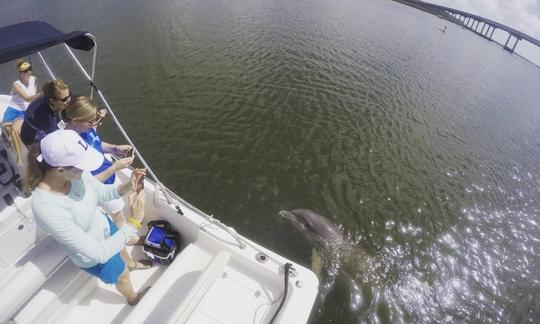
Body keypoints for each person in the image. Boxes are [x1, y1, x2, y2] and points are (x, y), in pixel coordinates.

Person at [24, 129, 150, 305]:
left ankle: (131, 264)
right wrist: (134, 221)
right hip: (95, 255)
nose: (85, 170)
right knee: (122, 276)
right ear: (60, 169)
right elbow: (99, 253)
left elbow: (101, 193)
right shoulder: (46, 208)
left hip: (105, 227)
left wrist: (129, 185)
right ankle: (133, 298)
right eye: (82, 165)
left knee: (122, 251)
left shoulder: (75, 173)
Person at [61, 95, 139, 243]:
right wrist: (116, 167)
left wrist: (115, 149)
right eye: (91, 121)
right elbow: (88, 183)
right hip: (101, 183)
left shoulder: (85, 128)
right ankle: (130, 239)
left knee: (118, 209)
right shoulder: (72, 146)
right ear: (76, 121)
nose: (95, 123)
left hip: (109, 172)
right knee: (118, 215)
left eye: (95, 118)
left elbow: (97, 143)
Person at [1, 61, 41, 164]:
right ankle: (13, 140)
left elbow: (34, 92)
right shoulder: (16, 84)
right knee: (6, 129)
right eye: (25, 71)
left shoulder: (33, 79)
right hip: (13, 109)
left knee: (14, 130)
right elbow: (27, 98)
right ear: (20, 73)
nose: (28, 72)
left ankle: (19, 158)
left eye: (29, 70)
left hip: (24, 111)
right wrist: (41, 93)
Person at [20, 79, 71, 146]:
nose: (69, 100)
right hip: (33, 136)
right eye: (65, 99)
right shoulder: (43, 115)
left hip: (49, 120)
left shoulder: (61, 96)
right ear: (52, 100)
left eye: (69, 95)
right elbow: (56, 135)